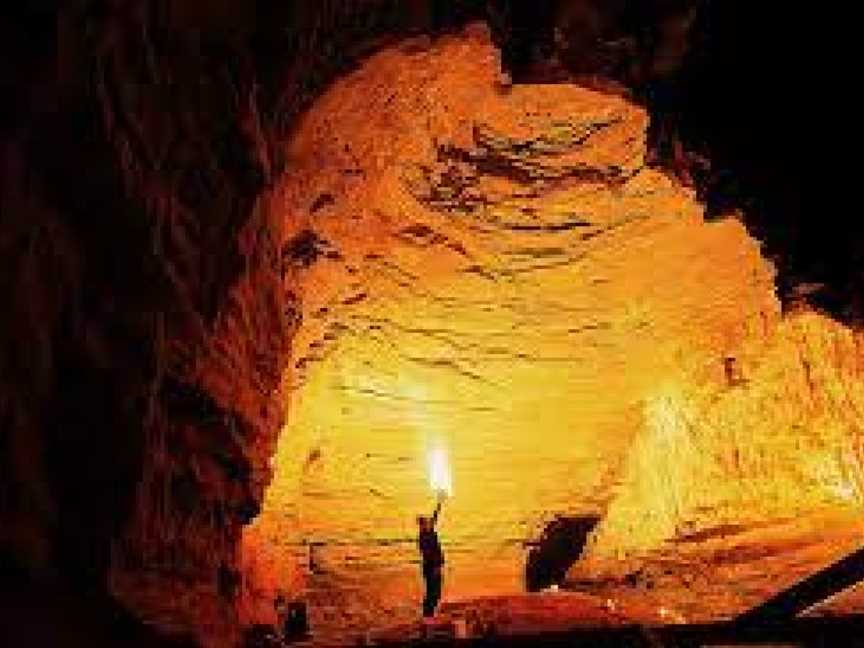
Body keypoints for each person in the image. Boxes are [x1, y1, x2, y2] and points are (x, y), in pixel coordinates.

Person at [417, 490, 447, 618]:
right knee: (432, 593)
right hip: (431, 568)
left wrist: (439, 501)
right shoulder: (424, 537)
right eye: (427, 523)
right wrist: (435, 568)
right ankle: (427, 615)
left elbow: (435, 517)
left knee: (436, 592)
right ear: (423, 526)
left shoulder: (429, 531)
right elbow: (428, 554)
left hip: (435, 567)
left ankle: (430, 613)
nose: (429, 524)